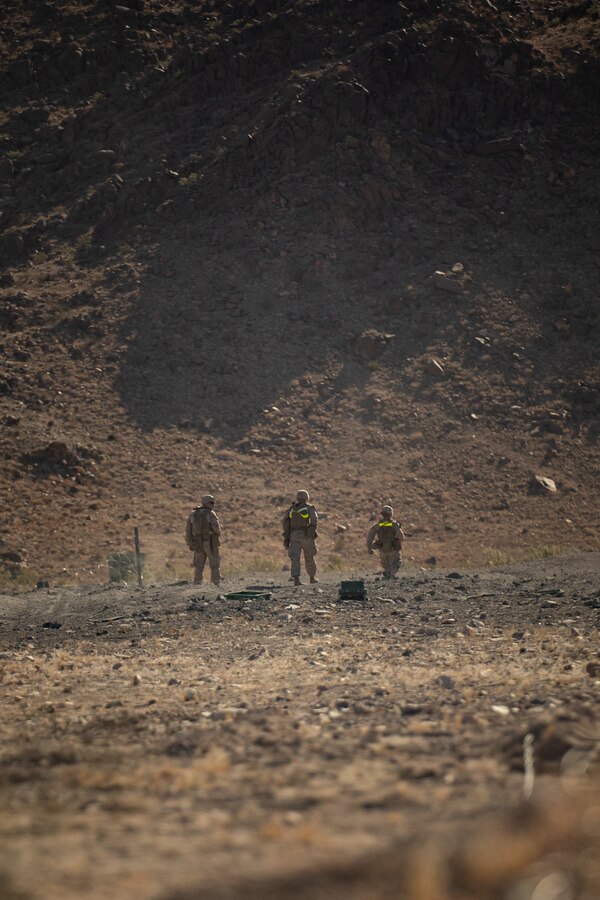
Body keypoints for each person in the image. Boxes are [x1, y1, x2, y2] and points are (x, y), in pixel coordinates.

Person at [283, 489, 319, 586]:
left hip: (293, 536)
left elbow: (285, 521)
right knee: (309, 556)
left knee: (295, 557)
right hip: (306, 535)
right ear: (307, 498)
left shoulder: (292, 509)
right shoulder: (309, 508)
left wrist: (287, 534)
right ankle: (312, 578)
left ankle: (296, 580)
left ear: (297, 498)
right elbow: (314, 520)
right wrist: (312, 531)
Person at [185, 494, 222, 585]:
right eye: (211, 503)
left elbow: (188, 531)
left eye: (213, 503)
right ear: (206, 503)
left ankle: (197, 582)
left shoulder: (193, 514)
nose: (212, 505)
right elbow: (216, 527)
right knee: (214, 562)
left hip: (198, 543)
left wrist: (190, 543)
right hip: (209, 542)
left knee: (199, 564)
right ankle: (216, 581)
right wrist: (217, 534)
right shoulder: (211, 514)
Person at [367, 505, 405, 579]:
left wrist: (369, 548)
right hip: (393, 550)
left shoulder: (378, 525)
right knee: (397, 562)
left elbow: (370, 536)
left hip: (382, 550)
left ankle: (389, 576)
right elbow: (402, 537)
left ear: (382, 514)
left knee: (386, 566)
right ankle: (389, 573)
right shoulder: (394, 524)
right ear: (391, 514)